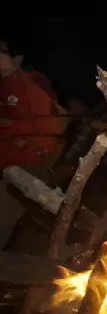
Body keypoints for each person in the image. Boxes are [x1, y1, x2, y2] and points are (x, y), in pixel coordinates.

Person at [0, 38, 67, 248]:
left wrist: (12, 127)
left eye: (1, 52)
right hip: (9, 162)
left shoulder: (32, 84)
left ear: (17, 59)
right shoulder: (4, 87)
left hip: (29, 162)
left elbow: (53, 126)